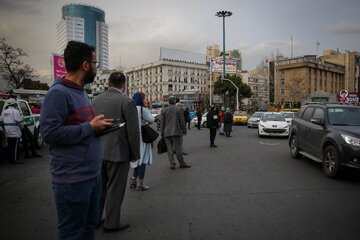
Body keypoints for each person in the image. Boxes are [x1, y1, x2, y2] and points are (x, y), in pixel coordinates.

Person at [40, 41, 113, 240]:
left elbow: (81, 127)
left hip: (92, 176)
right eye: (95, 63)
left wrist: (98, 127)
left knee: (89, 226)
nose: (97, 68)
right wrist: (90, 128)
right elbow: (49, 134)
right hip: (72, 180)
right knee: (72, 233)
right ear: (85, 65)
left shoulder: (81, 92)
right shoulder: (58, 93)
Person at [92, 72, 140, 232]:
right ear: (124, 85)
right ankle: (111, 223)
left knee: (99, 187)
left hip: (98, 152)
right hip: (118, 153)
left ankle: (94, 219)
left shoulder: (95, 100)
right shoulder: (127, 101)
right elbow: (133, 131)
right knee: (115, 188)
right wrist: (135, 154)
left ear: (108, 83)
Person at [129, 92, 154, 191]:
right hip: (142, 136)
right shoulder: (142, 109)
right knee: (143, 159)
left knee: (137, 159)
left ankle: (133, 179)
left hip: (132, 136)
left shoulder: (130, 109)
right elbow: (151, 120)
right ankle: (141, 182)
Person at [161, 96, 191, 169]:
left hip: (166, 132)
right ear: (175, 102)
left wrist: (162, 133)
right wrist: (184, 130)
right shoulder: (179, 109)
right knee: (178, 149)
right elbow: (182, 121)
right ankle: (182, 163)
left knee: (169, 149)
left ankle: (172, 164)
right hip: (176, 131)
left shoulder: (164, 110)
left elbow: (162, 123)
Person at [1, 99, 24, 164]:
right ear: (13, 104)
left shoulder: (4, 112)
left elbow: (3, 121)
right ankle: (15, 160)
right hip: (15, 132)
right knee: (15, 147)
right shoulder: (15, 111)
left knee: (10, 146)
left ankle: (10, 159)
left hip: (7, 132)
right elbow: (19, 122)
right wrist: (21, 128)